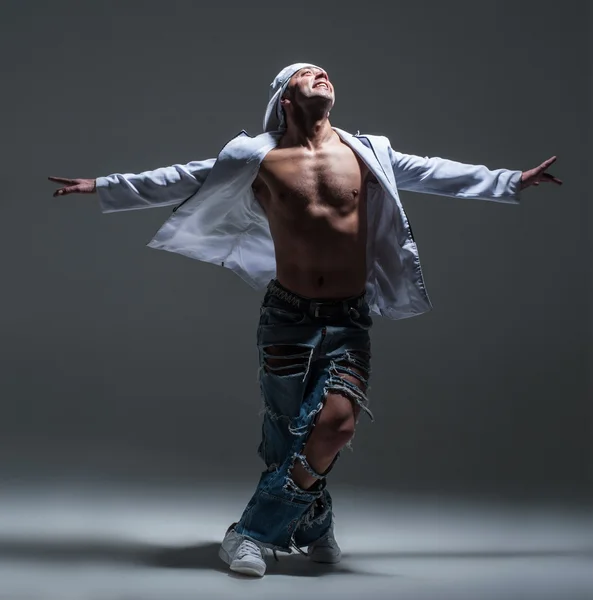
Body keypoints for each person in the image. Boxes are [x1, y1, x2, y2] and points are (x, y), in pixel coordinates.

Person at [49, 62, 562, 577]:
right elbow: (181, 178)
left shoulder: (368, 152)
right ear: (284, 99)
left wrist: (510, 180)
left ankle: (249, 534)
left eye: (325, 71)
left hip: (348, 318)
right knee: (285, 435)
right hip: (287, 314)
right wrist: (102, 186)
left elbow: (432, 172)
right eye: (306, 72)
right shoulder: (258, 158)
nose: (321, 74)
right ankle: (314, 522)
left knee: (335, 425)